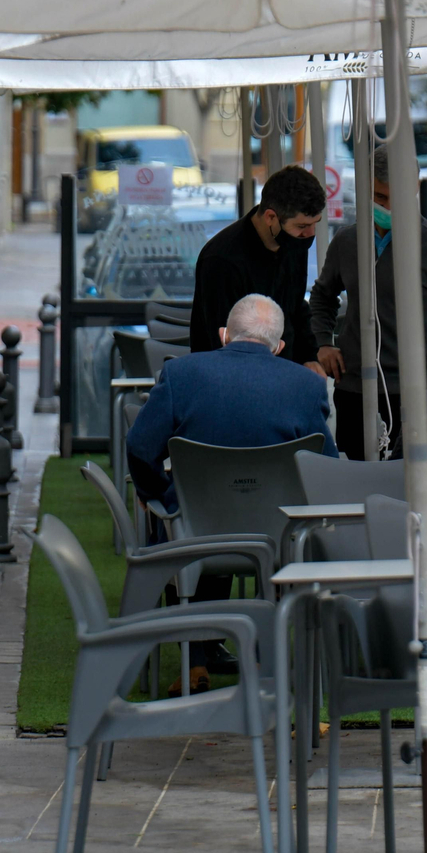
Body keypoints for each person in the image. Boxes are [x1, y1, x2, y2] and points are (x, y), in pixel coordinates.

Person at [127, 294, 336, 692]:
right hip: (278, 537)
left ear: (224, 335)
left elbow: (139, 447)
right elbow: (326, 464)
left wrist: (159, 494)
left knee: (180, 518)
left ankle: (196, 660)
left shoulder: (181, 375)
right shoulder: (306, 386)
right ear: (279, 347)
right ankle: (265, 661)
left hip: (193, 533)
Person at [309, 144, 427, 459]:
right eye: (380, 198)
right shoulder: (347, 242)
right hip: (355, 388)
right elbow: (322, 296)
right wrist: (324, 343)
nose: (390, 207)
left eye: (399, 198)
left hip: (418, 394)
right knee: (358, 482)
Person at [190, 165, 326, 375]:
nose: (310, 233)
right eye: (301, 226)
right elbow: (222, 338)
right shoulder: (222, 260)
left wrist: (309, 356)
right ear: (270, 217)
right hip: (232, 377)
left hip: (284, 371)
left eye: (315, 223)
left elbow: (296, 307)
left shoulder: (292, 243)